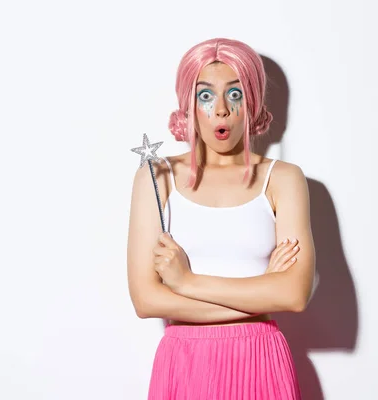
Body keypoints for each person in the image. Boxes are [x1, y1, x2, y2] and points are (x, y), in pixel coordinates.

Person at [127, 38, 316, 400]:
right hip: (185, 364)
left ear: (253, 102)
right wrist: (262, 292)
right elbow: (146, 301)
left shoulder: (283, 178)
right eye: (205, 96)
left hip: (260, 360)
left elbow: (293, 294)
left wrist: (184, 282)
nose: (221, 111)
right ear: (188, 105)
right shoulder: (156, 177)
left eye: (235, 94)